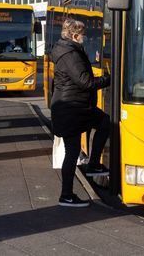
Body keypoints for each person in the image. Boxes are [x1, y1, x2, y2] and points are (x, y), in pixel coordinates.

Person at [50, 18, 110, 207]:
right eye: (83, 34)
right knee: (101, 125)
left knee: (100, 124)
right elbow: (85, 82)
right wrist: (110, 78)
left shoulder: (67, 50)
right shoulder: (70, 54)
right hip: (71, 108)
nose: (85, 37)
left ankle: (68, 192)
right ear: (75, 36)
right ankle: (67, 194)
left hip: (72, 107)